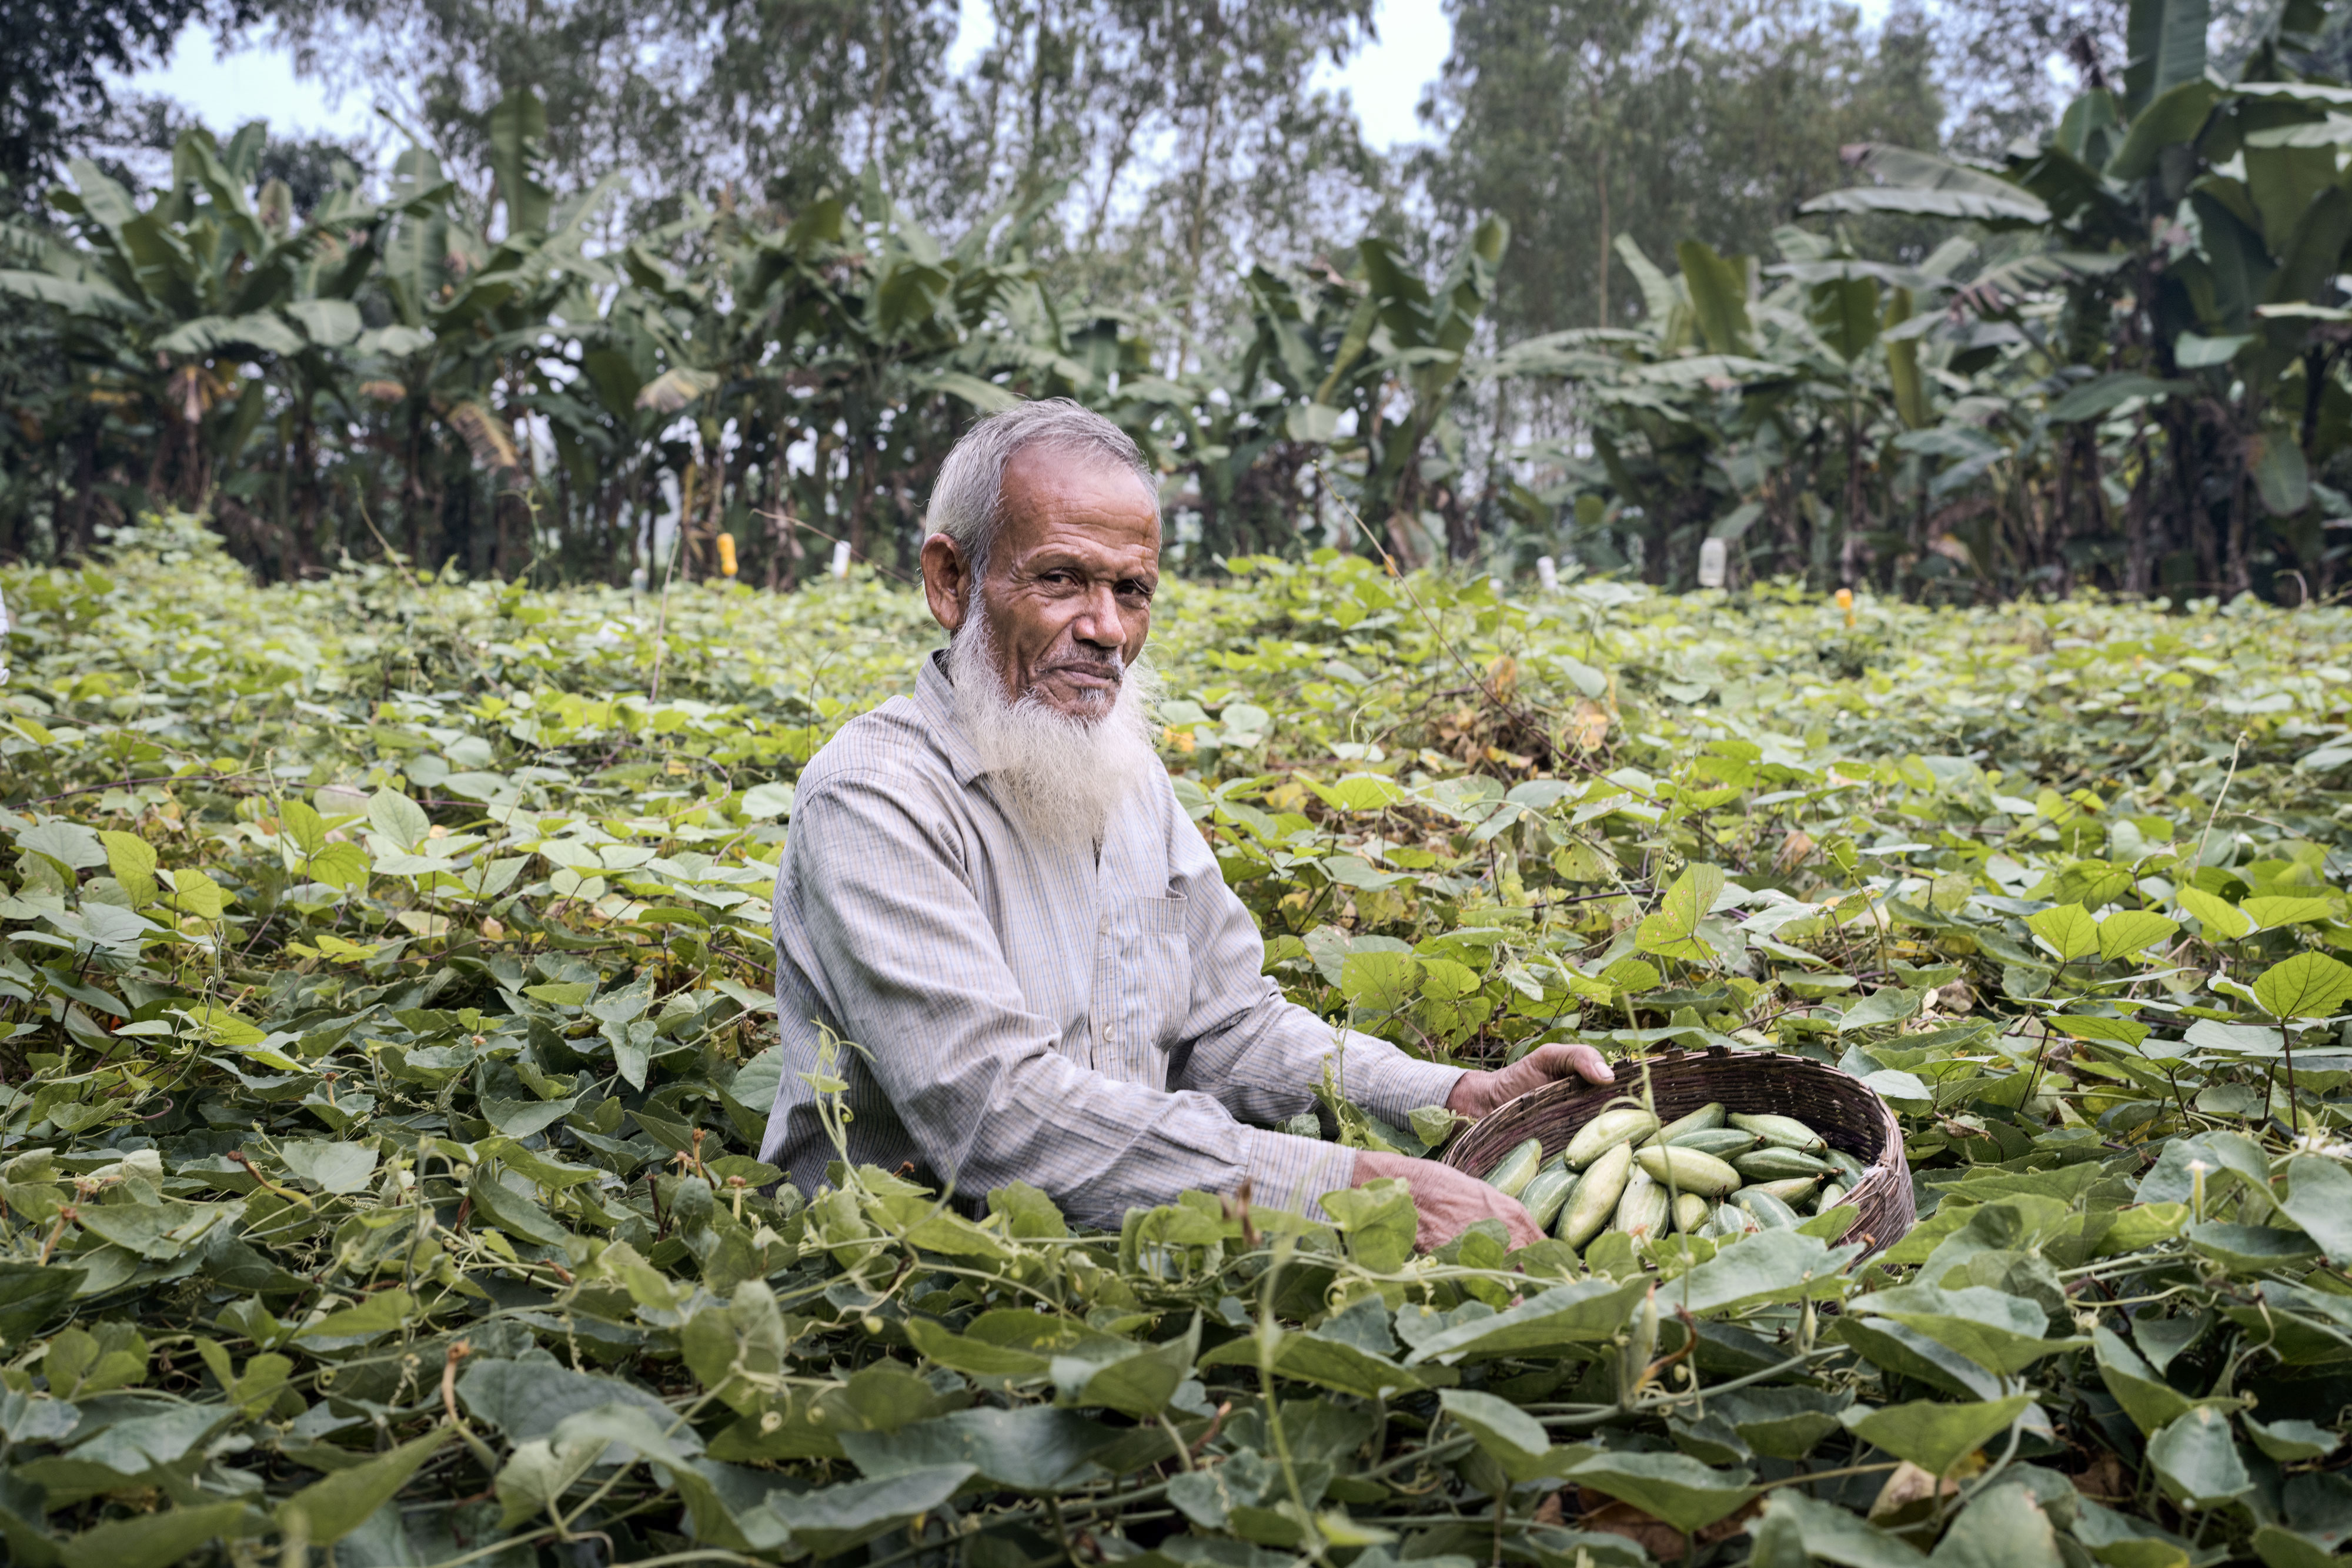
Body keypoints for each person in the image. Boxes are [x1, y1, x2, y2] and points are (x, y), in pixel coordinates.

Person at [759, 399, 1612, 1249]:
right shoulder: (875, 798)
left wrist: (1457, 1095)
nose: (1105, 630)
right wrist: (1361, 1188)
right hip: (913, 1286)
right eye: (1060, 578)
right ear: (951, 582)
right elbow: (994, 1116)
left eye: (1131, 591)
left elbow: (1232, 1026)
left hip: (1134, 1256)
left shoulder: (1123, 777)